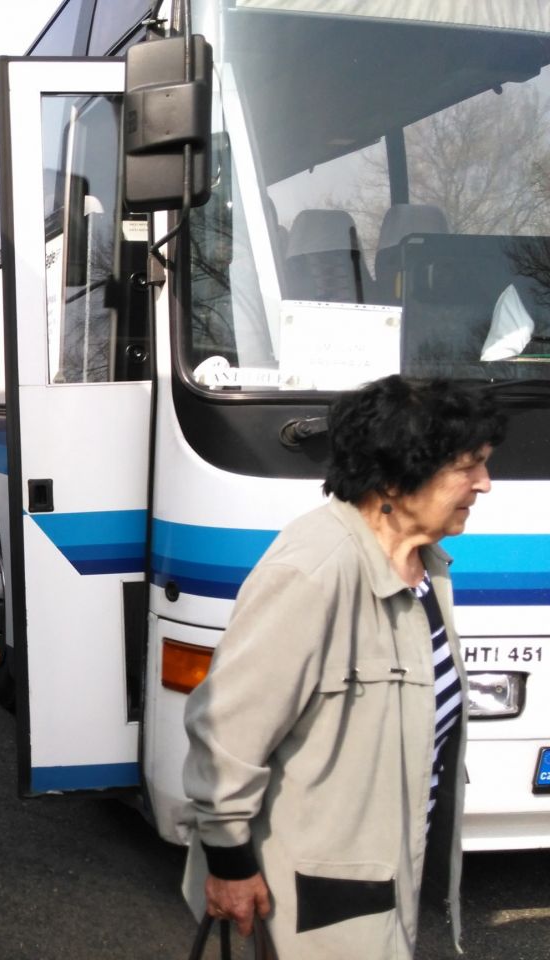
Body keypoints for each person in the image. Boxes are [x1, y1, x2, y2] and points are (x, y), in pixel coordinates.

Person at [181, 375, 506, 958]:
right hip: (320, 895)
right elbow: (226, 732)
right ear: (396, 475)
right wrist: (229, 864)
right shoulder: (314, 572)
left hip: (386, 872)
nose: (485, 482)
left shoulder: (423, 565)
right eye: (468, 466)